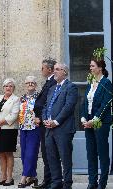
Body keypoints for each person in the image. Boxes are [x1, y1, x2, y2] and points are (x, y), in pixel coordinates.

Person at [42, 63, 78, 189]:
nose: (54, 72)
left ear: (64, 72)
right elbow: (46, 106)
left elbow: (68, 107)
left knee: (65, 157)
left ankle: (67, 183)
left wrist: (56, 121)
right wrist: (45, 120)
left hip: (63, 128)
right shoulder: (52, 88)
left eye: (57, 69)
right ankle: (56, 182)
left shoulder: (71, 87)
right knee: (51, 157)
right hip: (49, 128)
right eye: (54, 70)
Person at [81, 58, 112, 189]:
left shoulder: (106, 83)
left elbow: (105, 104)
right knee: (91, 153)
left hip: (101, 124)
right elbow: (84, 103)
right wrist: (83, 119)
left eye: (93, 66)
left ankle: (102, 183)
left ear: (100, 68)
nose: (90, 68)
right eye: (90, 66)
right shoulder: (91, 82)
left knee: (102, 153)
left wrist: (94, 120)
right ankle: (92, 182)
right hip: (88, 123)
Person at [0, 78, 19, 186]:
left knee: (8, 153)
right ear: (3, 88)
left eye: (10, 86)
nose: (8, 88)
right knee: (1, 153)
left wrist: (1, 122)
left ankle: (10, 178)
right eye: (6, 86)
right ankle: (3, 177)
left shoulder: (16, 99)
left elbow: (14, 114)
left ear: (13, 88)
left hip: (8, 130)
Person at [33, 59, 57, 189]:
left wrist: (41, 119)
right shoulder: (48, 81)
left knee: (49, 153)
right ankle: (47, 181)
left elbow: (48, 104)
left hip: (46, 122)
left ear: (49, 69)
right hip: (41, 122)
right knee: (46, 152)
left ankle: (51, 181)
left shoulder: (53, 82)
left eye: (42, 68)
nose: (41, 70)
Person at [17, 76, 40, 188]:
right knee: (24, 153)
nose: (30, 84)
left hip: (34, 128)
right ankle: (32, 177)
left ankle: (24, 177)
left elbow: (42, 110)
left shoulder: (39, 97)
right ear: (25, 85)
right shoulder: (22, 98)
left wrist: (39, 118)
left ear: (35, 85)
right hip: (23, 128)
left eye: (32, 83)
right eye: (28, 83)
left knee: (31, 152)